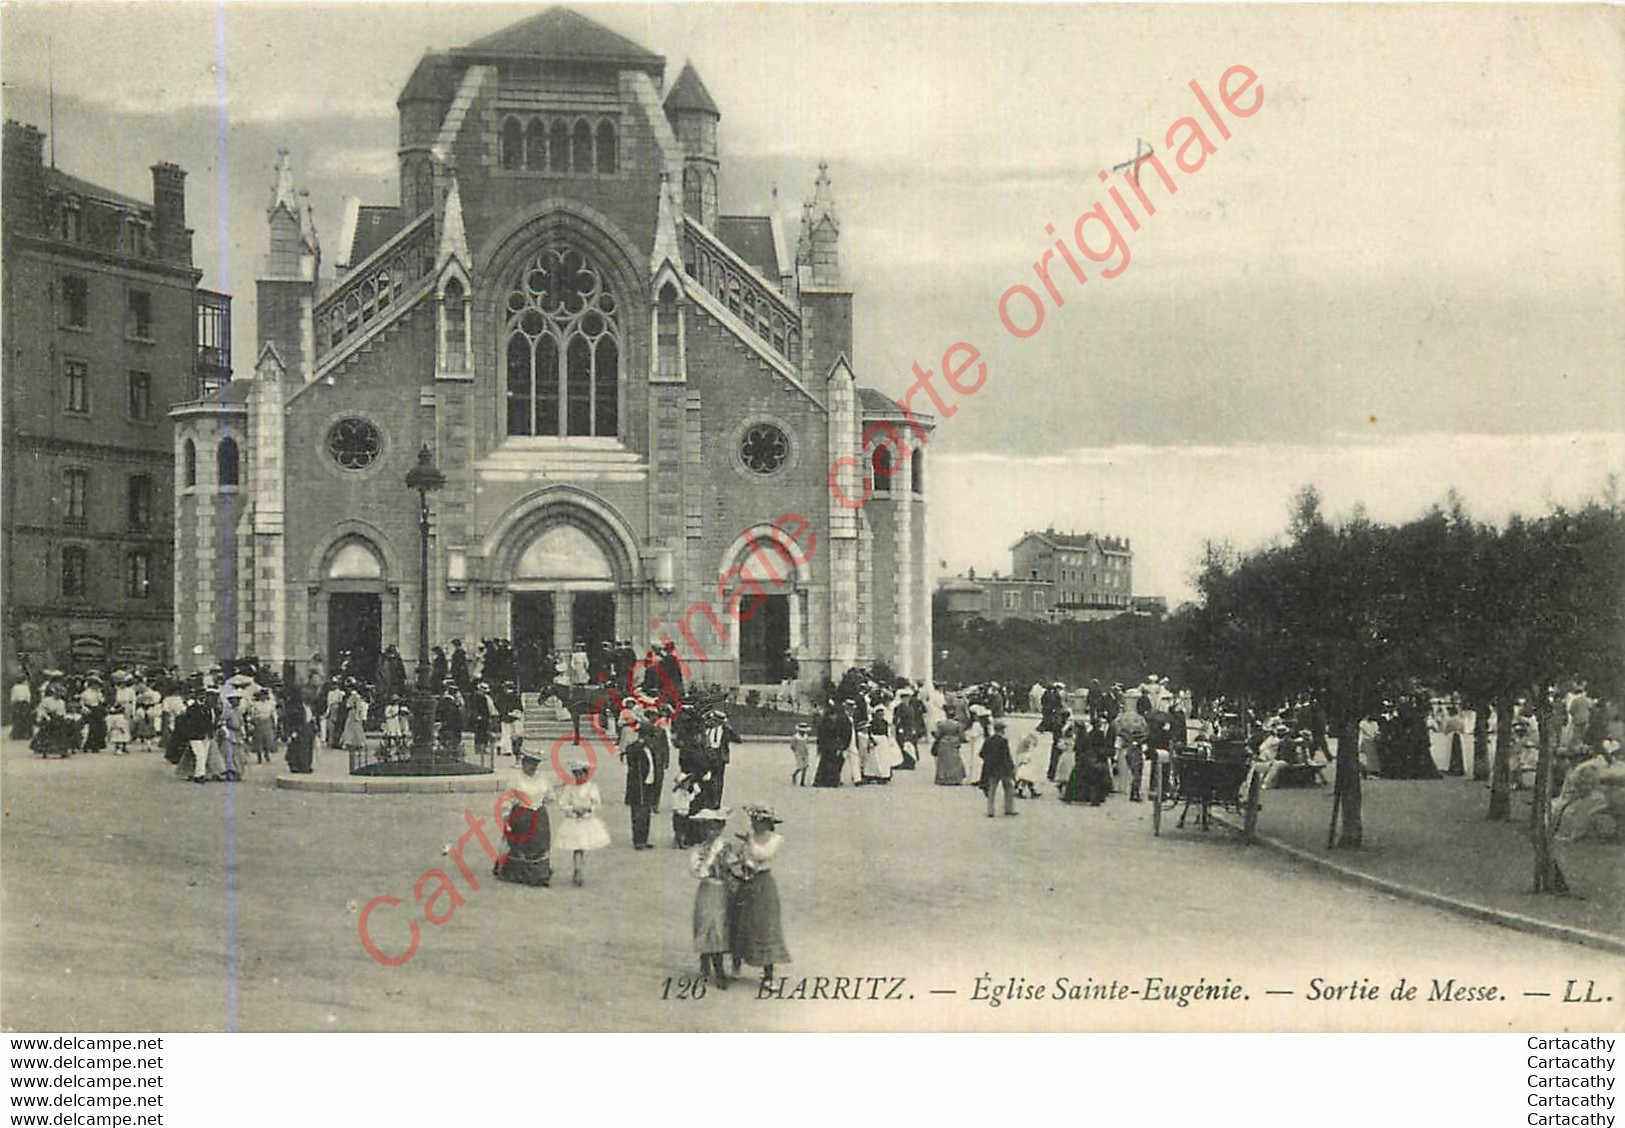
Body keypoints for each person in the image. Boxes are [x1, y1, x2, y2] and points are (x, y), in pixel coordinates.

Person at [729, 805, 790, 984]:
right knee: (740, 921)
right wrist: (737, 864)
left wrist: (749, 843)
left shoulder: (775, 839)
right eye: (753, 820)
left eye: (759, 821)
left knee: (765, 926)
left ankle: (768, 974)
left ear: (768, 823)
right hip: (746, 882)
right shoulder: (747, 838)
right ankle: (736, 965)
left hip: (763, 883)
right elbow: (735, 857)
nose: (755, 824)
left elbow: (762, 854)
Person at [689, 808, 736, 988]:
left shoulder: (725, 847)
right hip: (707, 889)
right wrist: (708, 862)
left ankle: (718, 969)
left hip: (722, 890)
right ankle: (707, 964)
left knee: (718, 927)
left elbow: (733, 866)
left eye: (715, 828)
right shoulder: (699, 849)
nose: (711, 832)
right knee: (706, 924)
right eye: (707, 828)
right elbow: (698, 872)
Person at [496, 742, 554, 886]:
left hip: (538, 815)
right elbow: (507, 799)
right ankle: (518, 873)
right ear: (523, 762)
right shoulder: (516, 779)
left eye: (536, 764)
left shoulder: (543, 778)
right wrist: (506, 817)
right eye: (530, 763)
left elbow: (551, 797)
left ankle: (540, 874)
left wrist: (540, 805)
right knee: (521, 845)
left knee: (539, 845)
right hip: (521, 815)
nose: (533, 767)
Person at [555, 759, 611, 885]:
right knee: (577, 846)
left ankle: (579, 868)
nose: (579, 777)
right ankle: (577, 869)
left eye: (581, 774)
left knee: (583, 845)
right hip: (573, 820)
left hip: (586, 820)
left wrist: (587, 809)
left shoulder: (592, 787)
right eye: (576, 774)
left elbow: (597, 804)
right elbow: (562, 803)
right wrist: (573, 809)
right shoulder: (570, 787)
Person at [624, 719, 658, 850]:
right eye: (650, 736)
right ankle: (638, 840)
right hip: (637, 786)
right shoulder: (634, 748)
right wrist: (640, 744)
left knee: (646, 813)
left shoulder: (651, 749)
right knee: (638, 813)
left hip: (649, 784)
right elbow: (630, 759)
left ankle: (644, 838)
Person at [977, 718, 1017, 817]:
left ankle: (991, 811)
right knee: (1008, 789)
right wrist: (1011, 767)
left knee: (991, 790)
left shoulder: (988, 740)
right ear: (1002, 730)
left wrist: (988, 761)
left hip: (991, 768)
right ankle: (1009, 809)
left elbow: (981, 753)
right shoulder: (1003, 741)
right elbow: (1006, 756)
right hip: (1003, 769)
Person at [812, 698, 851, 787]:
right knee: (825, 764)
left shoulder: (837, 723)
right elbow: (821, 736)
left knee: (833, 764)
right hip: (827, 746)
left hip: (833, 746)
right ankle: (821, 781)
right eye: (832, 715)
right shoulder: (825, 724)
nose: (834, 717)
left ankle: (832, 781)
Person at [932, 713, 966, 786]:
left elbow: (938, 735)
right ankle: (955, 778)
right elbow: (962, 736)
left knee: (943, 762)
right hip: (954, 742)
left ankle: (943, 778)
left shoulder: (941, 724)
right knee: (955, 761)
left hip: (944, 743)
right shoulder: (957, 724)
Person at [248, 689, 279, 765]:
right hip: (259, 722)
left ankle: (267, 753)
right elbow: (252, 714)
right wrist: (253, 721)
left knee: (268, 740)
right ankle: (259, 757)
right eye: (262, 695)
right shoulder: (256, 704)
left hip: (268, 722)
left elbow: (274, 714)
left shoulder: (271, 704)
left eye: (265, 695)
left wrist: (275, 723)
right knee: (259, 740)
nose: (263, 697)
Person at [10, 674, 34, 742]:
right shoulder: (26, 687)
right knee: (25, 719)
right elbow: (28, 696)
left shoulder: (14, 687)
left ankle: (17, 735)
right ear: (23, 681)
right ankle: (26, 735)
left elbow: (13, 697)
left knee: (18, 719)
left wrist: (13, 704)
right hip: (24, 704)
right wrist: (28, 704)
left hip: (17, 704)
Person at [789, 722, 811, 787]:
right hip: (798, 753)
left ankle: (802, 781)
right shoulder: (795, 737)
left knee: (805, 766)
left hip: (805, 752)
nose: (803, 732)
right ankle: (794, 774)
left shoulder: (806, 736)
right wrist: (795, 751)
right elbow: (792, 745)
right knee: (800, 766)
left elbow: (807, 743)